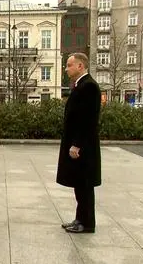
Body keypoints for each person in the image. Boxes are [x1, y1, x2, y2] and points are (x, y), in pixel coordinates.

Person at [56, 53, 101, 234]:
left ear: (80, 66)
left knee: (84, 185)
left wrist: (76, 144)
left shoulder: (88, 87)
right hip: (80, 145)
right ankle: (80, 219)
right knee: (79, 184)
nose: (66, 69)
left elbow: (87, 120)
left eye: (69, 65)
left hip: (84, 147)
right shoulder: (81, 85)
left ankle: (87, 223)